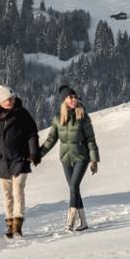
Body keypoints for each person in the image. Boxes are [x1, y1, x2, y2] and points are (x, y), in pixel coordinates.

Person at [0, 84, 40, 238]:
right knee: (7, 195)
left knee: (18, 191)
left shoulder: (22, 113)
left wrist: (34, 153)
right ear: (0, 100)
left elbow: (32, 133)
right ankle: (9, 225)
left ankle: (17, 226)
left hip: (21, 159)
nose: (12, 101)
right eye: (8, 99)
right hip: (2, 161)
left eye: (12, 98)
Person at [39, 83, 101, 231]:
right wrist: (37, 155)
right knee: (74, 189)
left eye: (75, 97)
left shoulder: (83, 117)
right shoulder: (58, 118)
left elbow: (91, 140)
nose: (74, 99)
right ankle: (84, 222)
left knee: (73, 186)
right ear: (64, 100)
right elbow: (50, 140)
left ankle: (71, 220)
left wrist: (94, 159)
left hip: (81, 156)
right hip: (66, 158)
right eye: (70, 97)